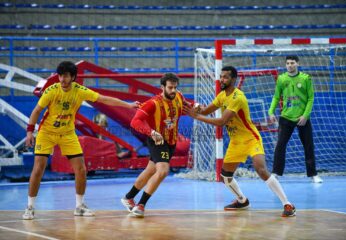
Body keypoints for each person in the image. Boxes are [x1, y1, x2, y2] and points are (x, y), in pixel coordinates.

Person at [23, 61, 140, 220]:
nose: (62, 79)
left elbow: (104, 99)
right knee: (38, 168)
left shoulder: (80, 91)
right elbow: (37, 111)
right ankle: (30, 207)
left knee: (81, 169)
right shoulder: (51, 91)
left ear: (73, 77)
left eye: (65, 76)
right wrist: (30, 132)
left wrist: (129, 105)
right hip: (47, 133)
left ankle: (79, 206)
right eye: (60, 76)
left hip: (67, 133)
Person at [185, 66, 296, 217]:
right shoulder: (222, 95)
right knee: (225, 176)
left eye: (225, 77)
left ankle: (287, 204)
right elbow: (206, 111)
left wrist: (196, 117)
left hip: (251, 139)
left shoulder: (238, 97)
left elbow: (221, 122)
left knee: (261, 169)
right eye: (221, 76)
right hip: (236, 142)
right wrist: (196, 108)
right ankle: (242, 200)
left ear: (233, 79)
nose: (221, 79)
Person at [121, 73, 188, 217]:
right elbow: (135, 122)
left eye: (175, 87)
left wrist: (196, 106)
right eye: (170, 87)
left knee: (150, 170)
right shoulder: (153, 103)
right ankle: (141, 205)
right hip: (157, 140)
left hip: (172, 141)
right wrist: (151, 133)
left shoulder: (178, 96)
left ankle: (128, 197)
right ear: (162, 87)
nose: (173, 90)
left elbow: (185, 106)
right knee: (163, 171)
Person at [268, 56, 323, 183]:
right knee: (280, 146)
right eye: (287, 63)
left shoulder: (305, 78)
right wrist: (270, 111)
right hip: (286, 117)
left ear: (298, 63)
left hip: (302, 118)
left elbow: (310, 98)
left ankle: (313, 174)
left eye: (292, 63)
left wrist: (305, 115)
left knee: (308, 146)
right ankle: (276, 173)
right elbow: (276, 97)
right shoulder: (281, 79)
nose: (290, 65)